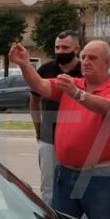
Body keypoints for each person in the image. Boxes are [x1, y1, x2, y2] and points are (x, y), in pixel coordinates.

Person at [11, 40, 110, 219]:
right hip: (65, 173)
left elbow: (109, 107)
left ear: (107, 63)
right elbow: (40, 85)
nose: (85, 61)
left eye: (92, 58)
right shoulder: (73, 84)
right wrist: (25, 64)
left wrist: (78, 94)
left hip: (100, 175)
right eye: (83, 57)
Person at [30, 31, 83, 201]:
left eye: (65, 47)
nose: (60, 51)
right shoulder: (45, 70)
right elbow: (34, 101)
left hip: (78, 138)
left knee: (77, 187)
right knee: (49, 187)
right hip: (48, 137)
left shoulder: (85, 70)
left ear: (77, 48)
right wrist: (37, 127)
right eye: (57, 47)